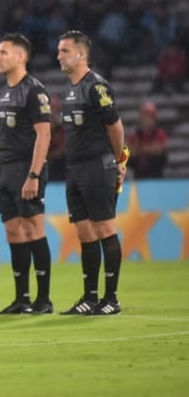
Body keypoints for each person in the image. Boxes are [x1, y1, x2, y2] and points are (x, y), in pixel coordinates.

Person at [0, 34, 54, 315]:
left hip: (27, 168)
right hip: (6, 173)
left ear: (21, 57)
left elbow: (44, 134)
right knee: (13, 233)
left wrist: (34, 175)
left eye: (3, 52)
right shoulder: (1, 95)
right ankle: (22, 298)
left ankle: (43, 299)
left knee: (34, 229)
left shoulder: (34, 91)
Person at [56, 32, 128, 315]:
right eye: (59, 51)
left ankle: (111, 299)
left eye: (64, 51)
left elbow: (116, 126)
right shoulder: (68, 90)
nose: (59, 55)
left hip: (98, 166)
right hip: (74, 168)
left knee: (105, 229)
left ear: (81, 55)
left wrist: (119, 161)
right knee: (84, 233)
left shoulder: (96, 87)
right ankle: (89, 297)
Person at [128, 100, 168, 179]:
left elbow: (159, 149)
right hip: (139, 176)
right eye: (145, 116)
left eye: (150, 116)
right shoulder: (135, 134)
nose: (147, 119)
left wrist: (140, 149)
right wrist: (149, 148)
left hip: (156, 175)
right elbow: (130, 151)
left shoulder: (159, 132)